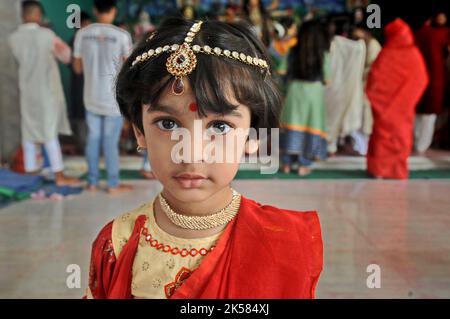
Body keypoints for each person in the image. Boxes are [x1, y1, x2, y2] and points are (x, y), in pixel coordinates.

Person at [83, 18, 323, 299]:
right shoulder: (117, 242)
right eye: (168, 124)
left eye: (219, 126)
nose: (192, 153)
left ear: (253, 136)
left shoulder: (284, 241)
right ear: (139, 131)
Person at [8, 0, 80, 186]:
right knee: (49, 134)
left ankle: (31, 174)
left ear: (23, 15)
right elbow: (66, 55)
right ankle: (59, 175)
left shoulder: (13, 38)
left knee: (29, 134)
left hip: (27, 91)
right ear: (38, 15)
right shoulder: (47, 35)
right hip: (47, 92)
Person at [73, 0, 133, 194]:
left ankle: (92, 182)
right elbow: (127, 70)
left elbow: (77, 68)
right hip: (112, 100)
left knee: (93, 140)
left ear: (95, 10)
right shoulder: (122, 36)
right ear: (114, 11)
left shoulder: (82, 34)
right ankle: (112, 184)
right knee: (110, 142)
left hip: (90, 97)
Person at [366, 19, 429, 179]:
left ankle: (379, 169)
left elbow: (374, 79)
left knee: (382, 136)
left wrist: (380, 101)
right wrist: (407, 100)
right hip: (403, 109)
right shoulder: (414, 55)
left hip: (384, 108)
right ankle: (396, 170)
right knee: (401, 136)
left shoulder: (386, 54)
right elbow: (421, 80)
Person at [280, 20, 331, 176]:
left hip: (295, 91)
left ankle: (287, 163)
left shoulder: (292, 50)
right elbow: (327, 79)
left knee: (292, 125)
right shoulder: (323, 54)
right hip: (314, 93)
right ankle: (304, 164)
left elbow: (282, 71)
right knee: (311, 127)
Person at [325, 16, 366, 156]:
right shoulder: (359, 47)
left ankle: (329, 146)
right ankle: (335, 145)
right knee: (340, 118)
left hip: (331, 88)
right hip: (349, 88)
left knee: (329, 118)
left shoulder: (332, 43)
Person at [414, 12, 450, 153]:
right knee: (426, 111)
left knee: (428, 111)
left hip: (434, 77)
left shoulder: (438, 33)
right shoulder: (427, 33)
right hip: (432, 76)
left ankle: (421, 143)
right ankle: (421, 144)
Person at [352, 23, 382, 156]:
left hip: (370, 86)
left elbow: (373, 68)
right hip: (362, 85)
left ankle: (364, 147)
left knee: (366, 115)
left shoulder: (374, 46)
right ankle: (360, 146)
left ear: (366, 32)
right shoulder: (363, 43)